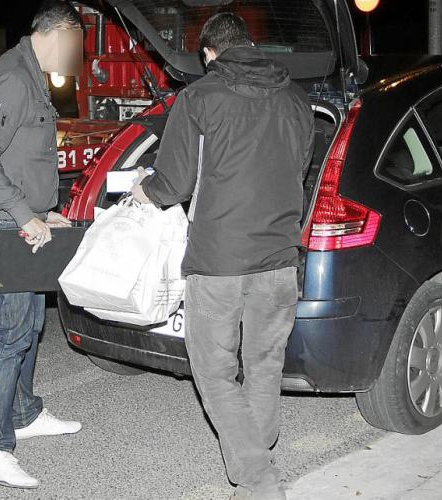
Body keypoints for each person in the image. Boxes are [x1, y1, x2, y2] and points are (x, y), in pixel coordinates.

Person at [131, 12, 314, 500]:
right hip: (280, 257)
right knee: (264, 365)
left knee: (214, 373)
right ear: (249, 44)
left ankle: (259, 480)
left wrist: (142, 191)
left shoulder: (199, 98)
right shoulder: (297, 100)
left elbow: (173, 183)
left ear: (209, 54)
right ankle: (258, 463)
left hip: (219, 263)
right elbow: (299, 169)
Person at [0, 0, 84, 489]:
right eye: (76, 45)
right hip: (1, 225)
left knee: (31, 323)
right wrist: (21, 212)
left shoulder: (34, 75)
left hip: (22, 223)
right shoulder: (14, 78)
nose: (75, 58)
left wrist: (40, 210)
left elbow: (20, 156)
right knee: (12, 332)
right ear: (60, 32)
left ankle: (24, 414)